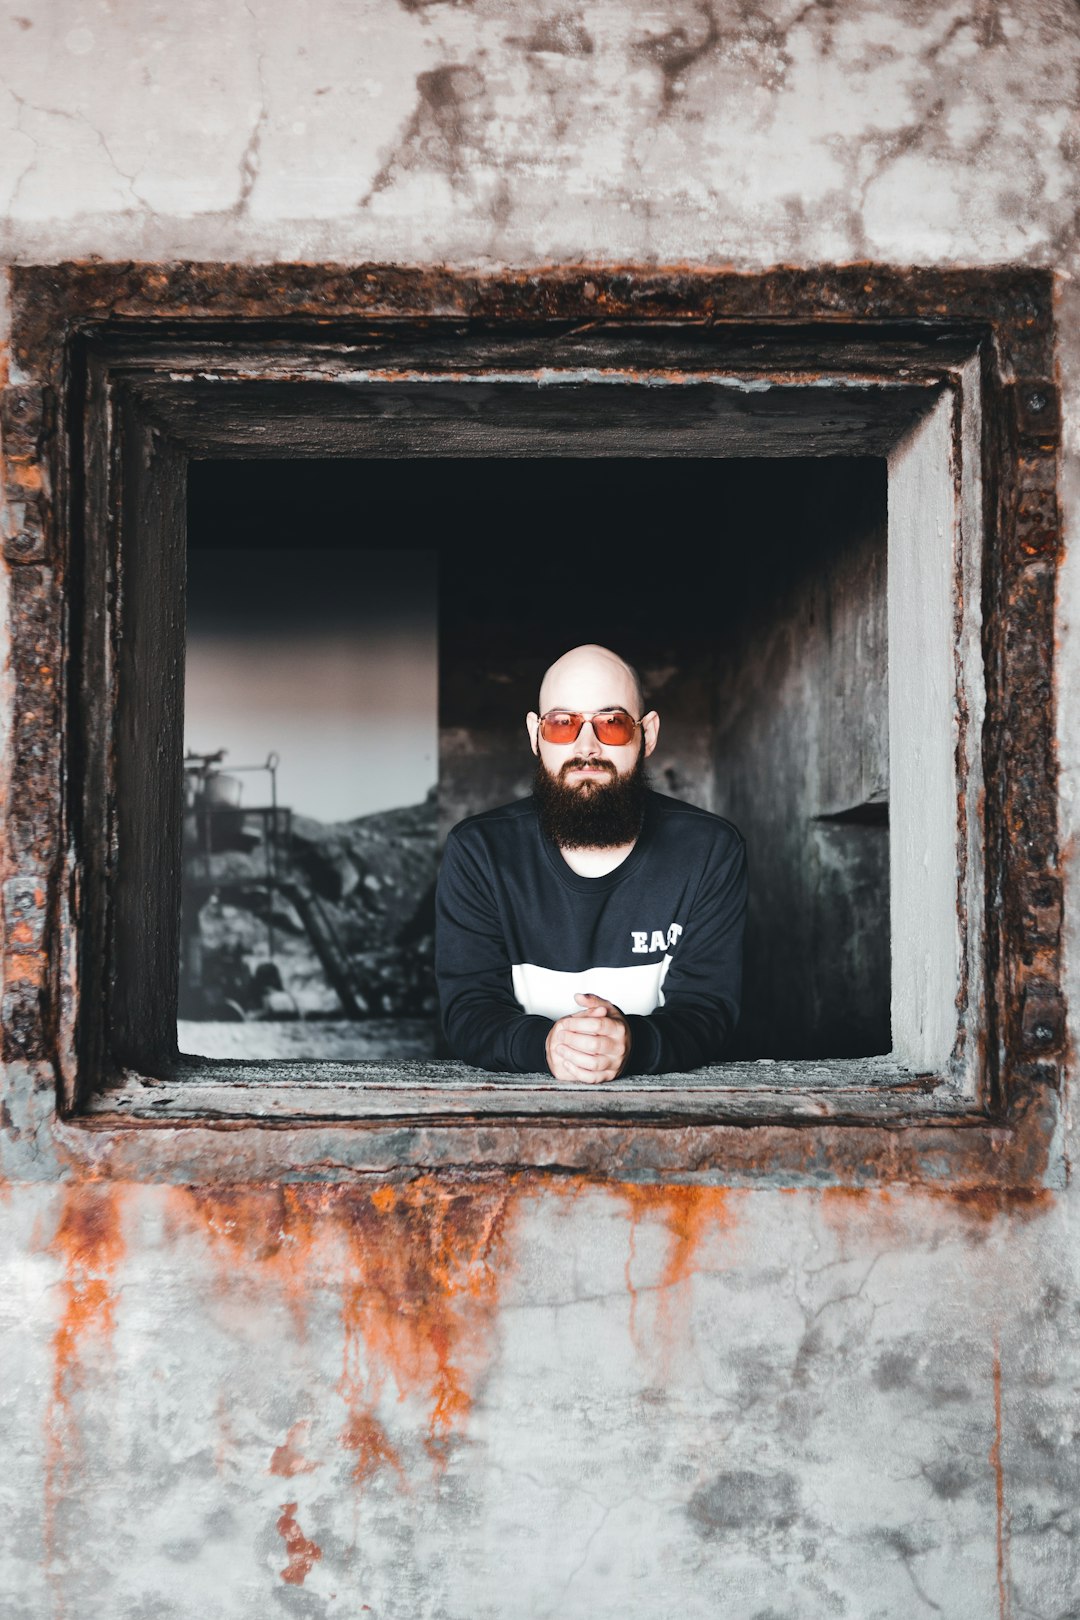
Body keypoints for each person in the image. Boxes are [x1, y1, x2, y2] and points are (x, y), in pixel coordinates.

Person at [435, 644, 747, 1081]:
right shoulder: (480, 851)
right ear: (534, 735)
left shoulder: (709, 850)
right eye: (562, 724)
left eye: (612, 723)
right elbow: (468, 1010)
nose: (587, 747)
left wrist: (632, 1044)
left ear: (648, 734)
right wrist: (546, 1046)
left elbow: (708, 1011)